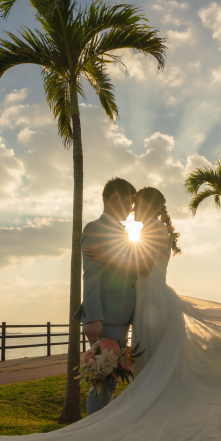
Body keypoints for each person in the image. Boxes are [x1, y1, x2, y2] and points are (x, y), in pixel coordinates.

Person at [84, 186, 181, 377]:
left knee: (149, 363)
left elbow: (144, 267)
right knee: (158, 362)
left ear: (148, 205)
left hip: (151, 300)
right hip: (159, 297)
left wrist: (107, 256)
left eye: (137, 204)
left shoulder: (150, 226)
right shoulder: (161, 228)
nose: (133, 209)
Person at [73, 177, 138, 414]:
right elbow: (91, 274)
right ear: (116, 197)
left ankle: (100, 429)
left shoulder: (122, 232)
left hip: (122, 315)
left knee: (111, 379)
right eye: (130, 202)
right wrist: (92, 318)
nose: (131, 210)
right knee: (104, 380)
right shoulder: (95, 229)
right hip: (107, 317)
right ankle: (95, 431)